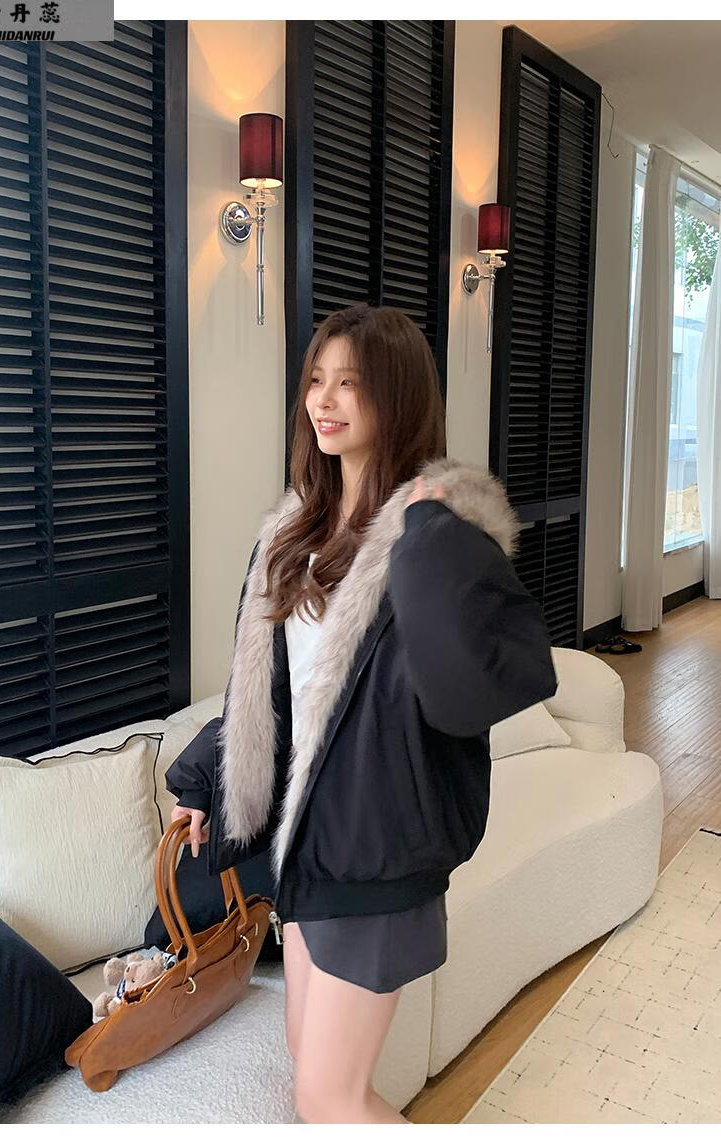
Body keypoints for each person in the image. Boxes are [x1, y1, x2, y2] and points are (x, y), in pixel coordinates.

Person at [165, 302, 558, 1124]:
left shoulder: (434, 533)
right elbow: (272, 691)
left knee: (329, 1095)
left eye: (350, 382)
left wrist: (425, 528)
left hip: (379, 845)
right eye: (317, 379)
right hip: (309, 847)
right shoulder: (292, 532)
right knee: (308, 1069)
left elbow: (475, 687)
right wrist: (202, 777)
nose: (325, 399)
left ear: (397, 396)